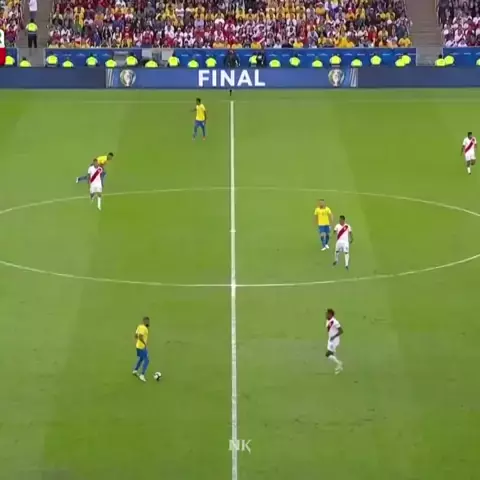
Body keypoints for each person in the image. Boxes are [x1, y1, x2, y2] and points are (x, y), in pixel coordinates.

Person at [325, 308, 344, 374]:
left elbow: (341, 331)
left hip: (334, 340)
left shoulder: (335, 322)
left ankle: (339, 364)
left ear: (330, 314)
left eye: (327, 314)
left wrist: (334, 336)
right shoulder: (328, 320)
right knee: (331, 355)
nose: (326, 315)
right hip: (330, 339)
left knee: (328, 354)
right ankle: (339, 367)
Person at [133, 316, 150, 382]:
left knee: (141, 358)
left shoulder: (139, 326)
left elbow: (135, 336)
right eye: (147, 321)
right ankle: (142, 375)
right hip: (142, 347)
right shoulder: (144, 328)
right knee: (147, 360)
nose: (148, 322)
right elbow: (140, 337)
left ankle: (135, 370)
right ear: (144, 321)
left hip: (138, 346)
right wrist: (144, 343)